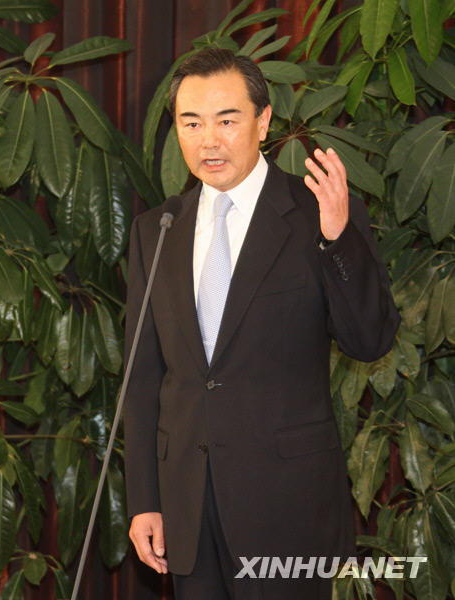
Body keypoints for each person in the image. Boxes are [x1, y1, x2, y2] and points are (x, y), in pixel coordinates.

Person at [123, 47, 400, 600]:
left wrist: (338, 240)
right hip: (187, 506)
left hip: (288, 509)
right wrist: (145, 500)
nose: (209, 140)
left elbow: (370, 340)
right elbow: (143, 377)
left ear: (264, 121)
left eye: (227, 121)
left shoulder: (317, 212)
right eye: (191, 123)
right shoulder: (157, 229)